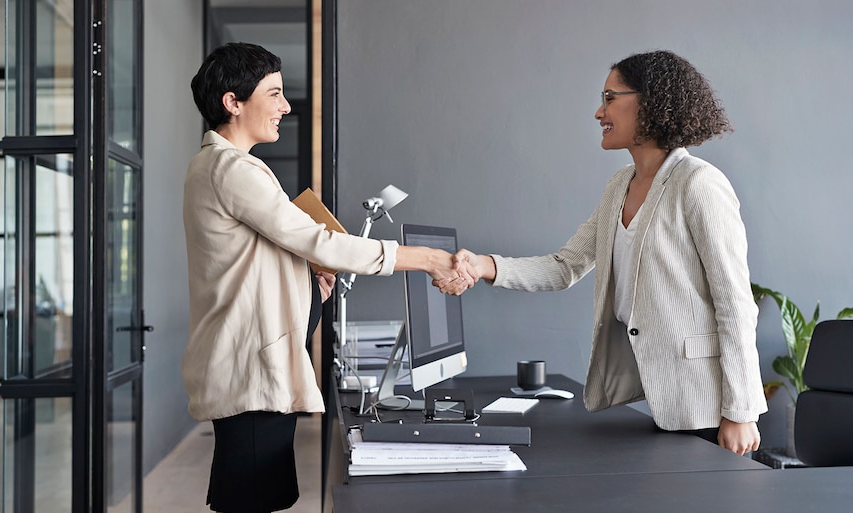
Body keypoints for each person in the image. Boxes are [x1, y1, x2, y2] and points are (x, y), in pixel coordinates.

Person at [183, 42, 469, 513]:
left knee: (254, 498)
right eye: (273, 94)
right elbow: (320, 242)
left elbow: (259, 259)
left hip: (251, 372)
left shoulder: (219, 167)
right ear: (233, 103)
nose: (285, 106)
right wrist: (427, 259)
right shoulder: (232, 169)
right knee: (250, 501)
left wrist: (306, 283)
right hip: (251, 379)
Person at [440, 50, 767, 455]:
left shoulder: (699, 184)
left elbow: (735, 305)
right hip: (659, 399)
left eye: (611, 98)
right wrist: (484, 266)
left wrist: (741, 412)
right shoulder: (619, 186)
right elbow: (565, 266)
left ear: (650, 103)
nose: (599, 112)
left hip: (710, 411)